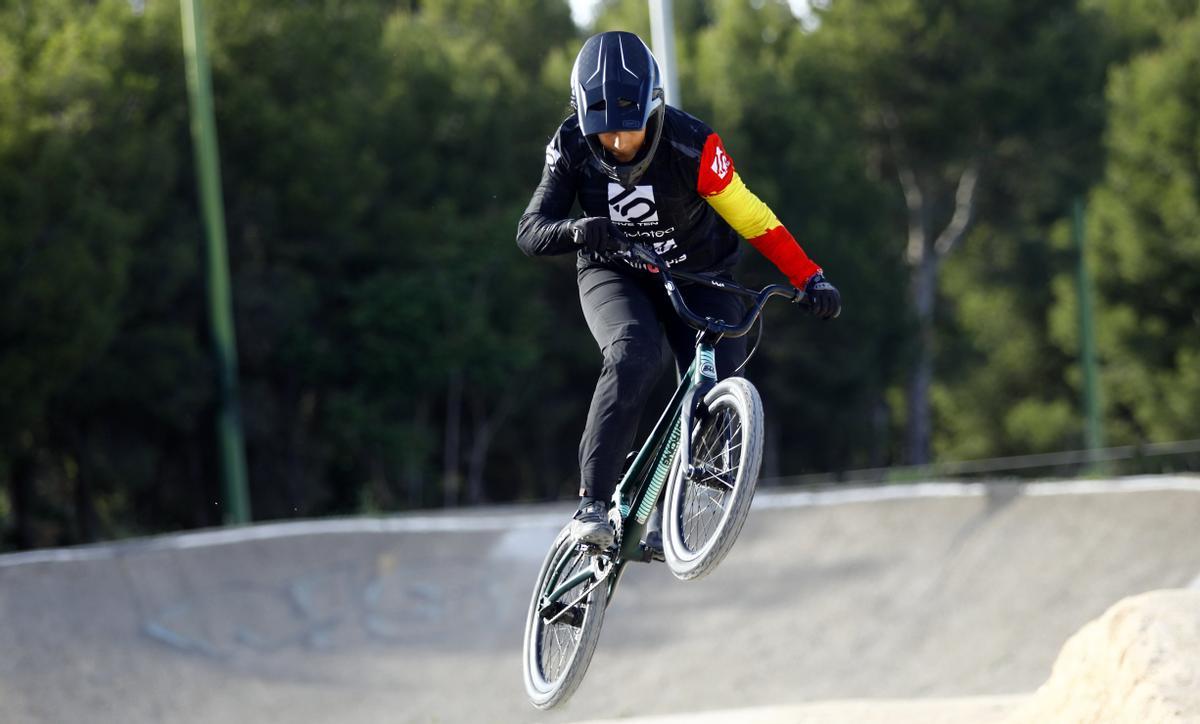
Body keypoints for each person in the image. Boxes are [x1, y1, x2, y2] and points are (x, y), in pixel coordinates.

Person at [516, 31, 840, 551]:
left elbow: (754, 219)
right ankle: (593, 505)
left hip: (699, 275)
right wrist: (577, 231)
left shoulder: (694, 146)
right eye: (605, 134)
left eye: (631, 130)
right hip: (614, 273)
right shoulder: (572, 144)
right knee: (634, 354)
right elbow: (530, 231)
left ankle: (678, 497)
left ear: (654, 111)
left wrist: (810, 277)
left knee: (720, 371)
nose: (618, 144)